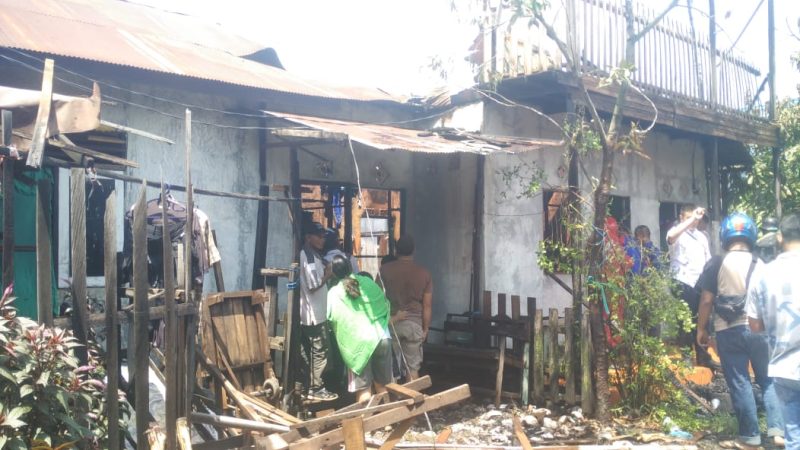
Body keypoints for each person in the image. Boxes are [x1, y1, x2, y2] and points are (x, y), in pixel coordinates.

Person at [696, 212, 783, 448]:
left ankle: (750, 436)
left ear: (725, 235)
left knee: (740, 381)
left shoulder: (716, 263)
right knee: (768, 379)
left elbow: (706, 300)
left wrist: (701, 329)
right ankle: (778, 431)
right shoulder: (761, 264)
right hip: (760, 329)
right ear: (751, 235)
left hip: (728, 331)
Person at [748, 213, 800, 449]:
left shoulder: (762, 273)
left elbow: (755, 325)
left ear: (779, 237)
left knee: (794, 435)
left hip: (784, 367)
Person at [327, 255, 397, 402]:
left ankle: (366, 416)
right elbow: (384, 302)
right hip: (382, 336)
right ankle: (386, 417)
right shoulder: (367, 282)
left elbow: (332, 317)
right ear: (350, 267)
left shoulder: (334, 292)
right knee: (382, 386)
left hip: (358, 345)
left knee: (364, 390)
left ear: (333, 273)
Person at [379, 235, 432, 381]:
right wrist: (425, 328)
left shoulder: (384, 270)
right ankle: (412, 395)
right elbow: (427, 305)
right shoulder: (424, 273)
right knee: (412, 368)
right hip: (414, 324)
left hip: (392, 323)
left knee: (391, 369)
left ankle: (393, 395)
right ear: (413, 250)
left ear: (396, 250)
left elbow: (377, 298)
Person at [667, 204, 713, 367]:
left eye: (696, 219)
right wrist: (692, 218)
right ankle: (686, 356)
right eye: (689, 218)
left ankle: (702, 355)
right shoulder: (676, 232)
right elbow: (671, 237)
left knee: (702, 320)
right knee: (685, 321)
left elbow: (708, 260)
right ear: (681, 218)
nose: (693, 222)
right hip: (682, 281)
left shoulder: (702, 236)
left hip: (700, 282)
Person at [299, 222, 337, 401]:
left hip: (314, 311)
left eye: (323, 237)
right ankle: (316, 388)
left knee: (314, 351)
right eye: (319, 236)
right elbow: (313, 284)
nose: (322, 240)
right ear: (308, 237)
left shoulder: (313, 255)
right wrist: (328, 275)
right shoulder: (308, 257)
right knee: (319, 351)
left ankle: (310, 386)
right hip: (314, 313)